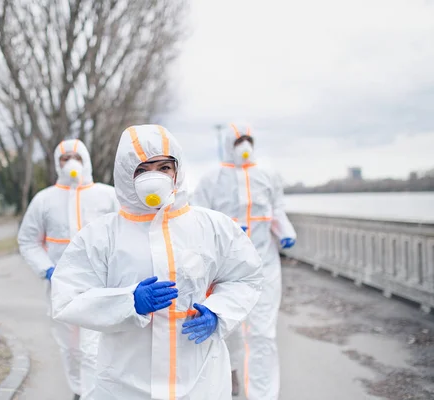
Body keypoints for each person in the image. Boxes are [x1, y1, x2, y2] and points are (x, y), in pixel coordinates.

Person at [51, 124, 263, 400]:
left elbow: (245, 276)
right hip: (126, 383)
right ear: (127, 175)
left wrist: (218, 312)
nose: (155, 178)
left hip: (200, 379)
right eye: (143, 170)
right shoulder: (100, 235)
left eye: (164, 168)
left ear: (177, 171)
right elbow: (67, 298)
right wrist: (128, 302)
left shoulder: (211, 226)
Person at [192, 123, 297, 400]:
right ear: (229, 143)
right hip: (225, 270)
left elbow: (277, 210)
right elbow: (196, 219)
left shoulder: (268, 175)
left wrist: (285, 231)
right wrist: (223, 232)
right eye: (239, 140)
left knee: (263, 334)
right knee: (230, 332)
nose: (244, 145)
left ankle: (262, 394)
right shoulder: (211, 179)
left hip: (265, 266)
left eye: (248, 139)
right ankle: (231, 375)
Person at [17, 139, 118, 400]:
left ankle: (93, 394)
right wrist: (47, 269)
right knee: (70, 347)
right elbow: (28, 240)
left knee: (93, 347)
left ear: (86, 160)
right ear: (57, 164)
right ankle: (78, 389)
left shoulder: (108, 195)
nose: (71, 162)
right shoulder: (44, 200)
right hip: (61, 288)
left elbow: (128, 233)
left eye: (76, 156)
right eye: (65, 158)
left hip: (100, 285)